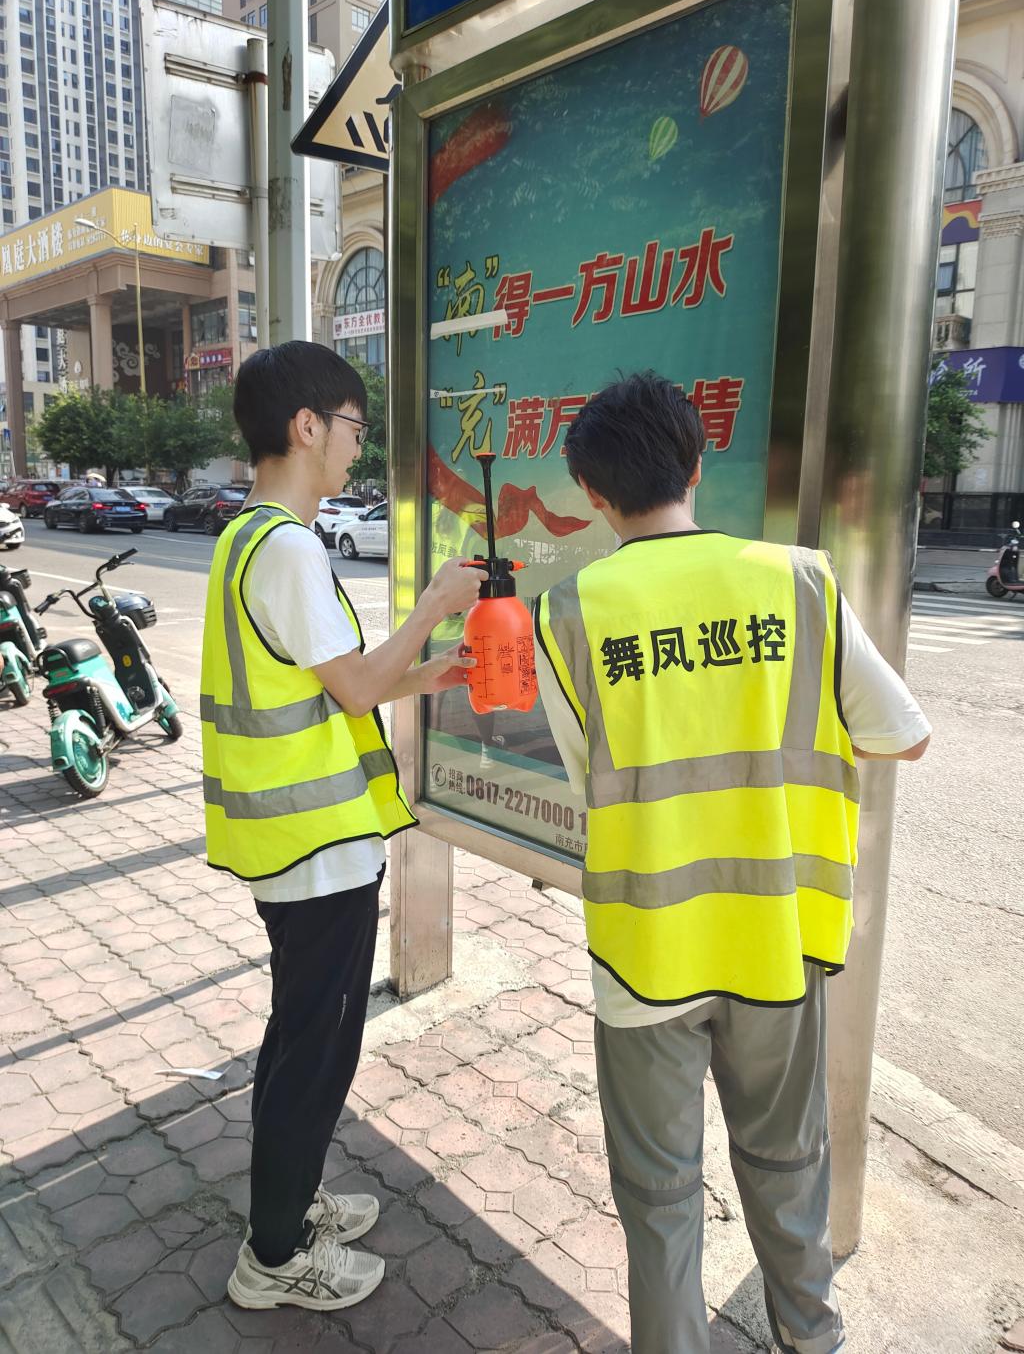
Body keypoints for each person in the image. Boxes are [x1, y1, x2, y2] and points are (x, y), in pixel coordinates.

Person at [533, 372, 931, 1354]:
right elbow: (904, 734)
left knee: (658, 1194)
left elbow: (590, 773)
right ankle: (811, 1338)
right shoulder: (797, 581)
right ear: (697, 465)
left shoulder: (568, 611)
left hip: (645, 952)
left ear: (592, 492)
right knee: (788, 1160)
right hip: (775, 938)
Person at [200, 341, 484, 1313]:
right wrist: (435, 604)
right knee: (315, 1054)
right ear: (307, 425)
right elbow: (355, 686)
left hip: (296, 847)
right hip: (317, 850)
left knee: (298, 1039)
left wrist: (427, 672)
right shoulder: (285, 547)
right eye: (355, 427)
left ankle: (290, 1202)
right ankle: (273, 1257)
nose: (360, 446)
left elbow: (331, 686)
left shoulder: (248, 538)